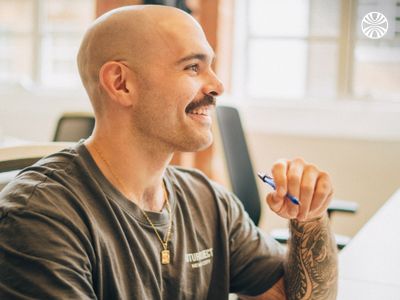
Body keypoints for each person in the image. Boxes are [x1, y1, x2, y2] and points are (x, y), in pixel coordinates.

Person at [0, 5, 337, 300]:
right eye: (193, 67)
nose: (218, 86)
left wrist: (310, 218)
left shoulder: (208, 201)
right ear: (121, 83)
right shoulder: (38, 217)